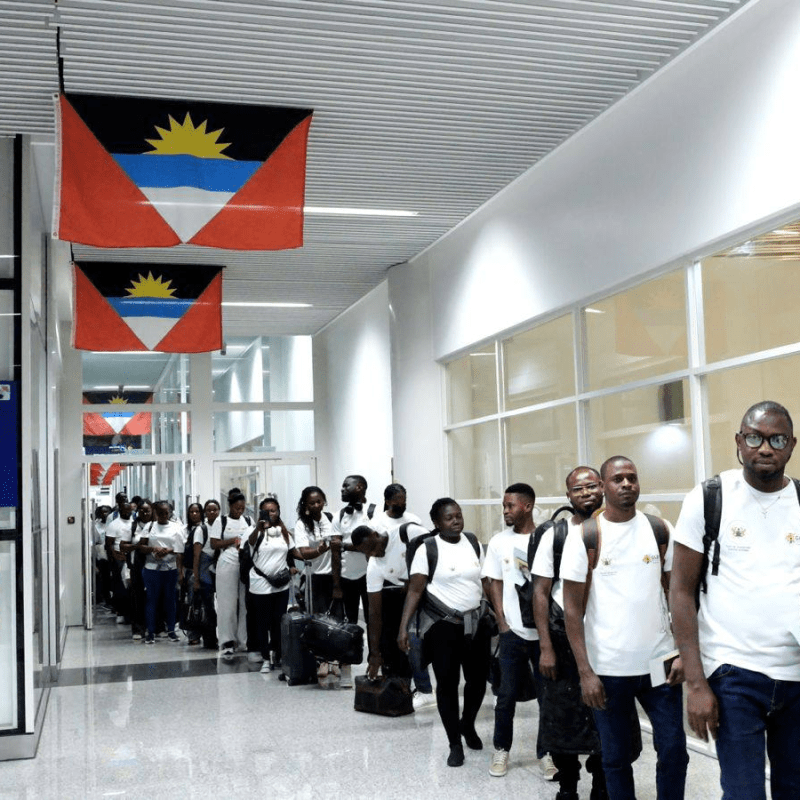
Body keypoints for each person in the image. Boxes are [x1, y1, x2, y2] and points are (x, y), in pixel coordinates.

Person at [670, 401, 800, 800]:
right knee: (744, 792)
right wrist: (696, 683)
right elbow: (680, 590)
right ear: (739, 442)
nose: (766, 448)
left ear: (792, 445)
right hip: (733, 674)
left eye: (777, 440)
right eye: (755, 438)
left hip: (796, 675)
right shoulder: (710, 497)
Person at [562, 456, 688, 800]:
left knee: (674, 749)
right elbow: (572, 611)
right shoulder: (585, 536)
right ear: (604, 486)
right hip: (608, 668)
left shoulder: (659, 529)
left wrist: (682, 652)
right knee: (616, 758)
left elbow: (677, 595)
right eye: (618, 479)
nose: (627, 484)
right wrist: (585, 673)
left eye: (632, 477)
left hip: (660, 664)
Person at [532, 468, 609, 800]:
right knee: (561, 719)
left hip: (605, 639)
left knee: (603, 716)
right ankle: (568, 786)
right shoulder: (557, 535)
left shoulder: (614, 529)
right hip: (562, 640)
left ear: (602, 488)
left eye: (592, 486)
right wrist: (545, 647)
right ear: (568, 496)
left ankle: (602, 785)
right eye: (578, 489)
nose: (586, 493)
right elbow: (540, 592)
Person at [398, 498, 490, 768]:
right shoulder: (428, 549)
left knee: (478, 682)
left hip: (476, 624)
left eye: (458, 515)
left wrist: (499, 614)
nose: (456, 521)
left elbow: (485, 580)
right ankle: (454, 743)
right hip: (442, 627)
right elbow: (415, 590)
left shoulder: (472, 542)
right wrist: (403, 628)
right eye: (449, 518)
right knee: (448, 685)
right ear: (437, 523)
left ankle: (467, 724)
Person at [482, 482, 541, 778]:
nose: (505, 511)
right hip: (512, 633)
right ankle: (501, 749)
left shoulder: (546, 538)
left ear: (527, 506)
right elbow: (493, 581)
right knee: (505, 696)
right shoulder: (498, 542)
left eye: (510, 506)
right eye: (503, 506)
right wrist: (502, 621)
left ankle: (547, 753)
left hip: (544, 635)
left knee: (548, 696)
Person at [245, 496, 304, 673]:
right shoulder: (254, 531)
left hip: (281, 584)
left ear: (278, 512)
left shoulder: (284, 532)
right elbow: (251, 542)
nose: (270, 513)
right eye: (266, 511)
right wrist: (259, 527)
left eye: (273, 510)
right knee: (262, 623)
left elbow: (294, 552)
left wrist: (317, 553)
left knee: (278, 621)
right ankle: (265, 657)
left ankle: (277, 654)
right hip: (260, 584)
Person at [331, 474, 376, 687]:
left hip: (371, 577)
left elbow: (374, 545)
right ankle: (346, 668)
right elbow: (334, 551)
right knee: (347, 625)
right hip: (347, 577)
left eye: (345, 486)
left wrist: (346, 546)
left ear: (359, 487)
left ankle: (374, 665)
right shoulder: (340, 515)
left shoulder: (374, 512)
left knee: (373, 622)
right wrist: (336, 584)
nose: (342, 489)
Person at [210, 488, 254, 657]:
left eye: (242, 508)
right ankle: (227, 641)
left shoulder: (248, 520)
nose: (239, 511)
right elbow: (214, 544)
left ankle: (244, 641)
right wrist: (233, 541)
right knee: (226, 604)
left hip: (244, 564)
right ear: (230, 506)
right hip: (227, 563)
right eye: (236, 508)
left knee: (245, 604)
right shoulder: (221, 521)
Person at [136, 500, 184, 645]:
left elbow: (181, 549)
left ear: (170, 513)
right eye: (160, 513)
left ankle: (171, 630)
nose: (163, 515)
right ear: (155, 513)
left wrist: (168, 551)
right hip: (152, 569)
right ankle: (150, 632)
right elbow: (141, 547)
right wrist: (154, 549)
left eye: (166, 513)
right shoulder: (150, 527)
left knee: (170, 601)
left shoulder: (176, 527)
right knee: (152, 600)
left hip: (170, 569)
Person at [293, 486, 334, 613]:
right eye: (312, 503)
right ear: (305, 504)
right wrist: (319, 550)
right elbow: (304, 553)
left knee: (334, 616)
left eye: (319, 501)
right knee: (317, 616)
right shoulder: (301, 524)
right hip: (314, 577)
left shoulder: (331, 518)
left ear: (324, 501)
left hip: (333, 575)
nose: (316, 505)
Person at [190, 499, 220, 650]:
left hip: (220, 565)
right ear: (205, 513)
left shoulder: (222, 526)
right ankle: (210, 639)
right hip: (205, 567)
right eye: (209, 510)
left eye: (215, 509)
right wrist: (196, 579)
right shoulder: (201, 530)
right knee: (208, 605)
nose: (212, 512)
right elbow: (196, 556)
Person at [121, 499, 152, 641]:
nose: (145, 513)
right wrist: (138, 546)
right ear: (137, 511)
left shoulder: (156, 526)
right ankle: (138, 628)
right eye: (142, 510)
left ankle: (156, 627)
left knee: (153, 597)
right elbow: (123, 546)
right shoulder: (131, 527)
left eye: (148, 510)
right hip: (137, 567)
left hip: (155, 566)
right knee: (137, 597)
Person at [104, 500, 133, 624]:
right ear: (120, 511)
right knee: (119, 587)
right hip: (118, 559)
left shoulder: (134, 523)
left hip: (131, 557)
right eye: (124, 511)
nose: (127, 513)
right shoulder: (114, 525)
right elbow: (108, 544)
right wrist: (114, 559)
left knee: (131, 587)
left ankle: (130, 613)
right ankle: (120, 612)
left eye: (129, 511)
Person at [182, 502, 205, 645]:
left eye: (197, 511)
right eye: (191, 512)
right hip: (190, 571)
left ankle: (207, 632)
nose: (194, 514)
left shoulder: (206, 529)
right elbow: (180, 553)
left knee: (205, 604)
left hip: (205, 571)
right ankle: (193, 634)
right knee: (192, 603)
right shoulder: (184, 530)